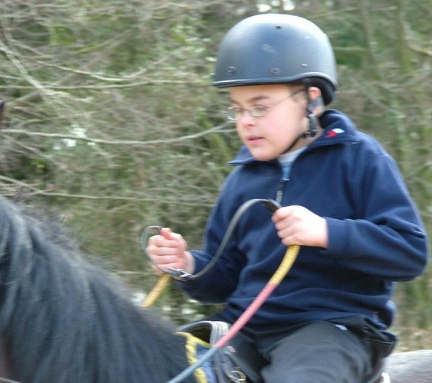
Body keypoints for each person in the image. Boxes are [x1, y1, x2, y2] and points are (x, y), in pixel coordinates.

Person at [146, 13, 429, 383]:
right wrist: (187, 265)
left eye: (260, 107)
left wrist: (327, 232)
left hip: (329, 330)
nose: (245, 121)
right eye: (237, 108)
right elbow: (225, 276)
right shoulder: (242, 179)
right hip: (244, 330)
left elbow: (410, 253)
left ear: (311, 101)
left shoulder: (360, 159)